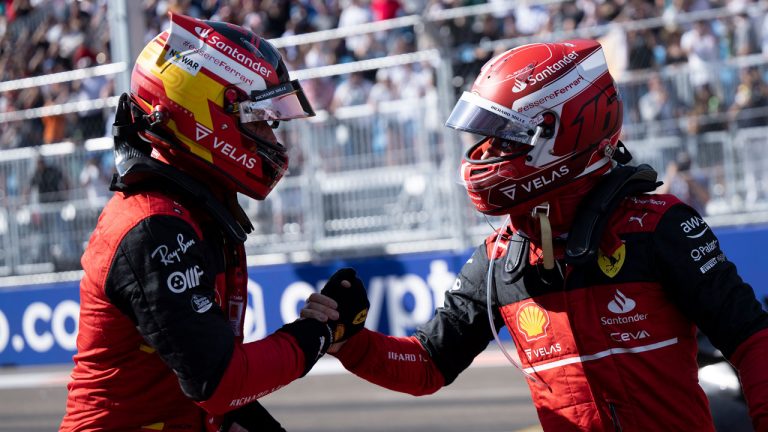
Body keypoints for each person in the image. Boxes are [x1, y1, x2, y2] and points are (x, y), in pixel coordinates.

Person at [303, 39, 768, 431]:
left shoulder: (659, 226)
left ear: (565, 130)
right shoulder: (499, 257)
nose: (485, 152)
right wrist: (351, 342)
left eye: (505, 135)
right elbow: (429, 364)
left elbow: (752, 339)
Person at [60, 13, 362, 432]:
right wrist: (316, 335)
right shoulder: (152, 227)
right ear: (200, 114)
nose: (273, 140)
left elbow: (210, 396)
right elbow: (218, 383)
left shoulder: (192, 208)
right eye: (260, 120)